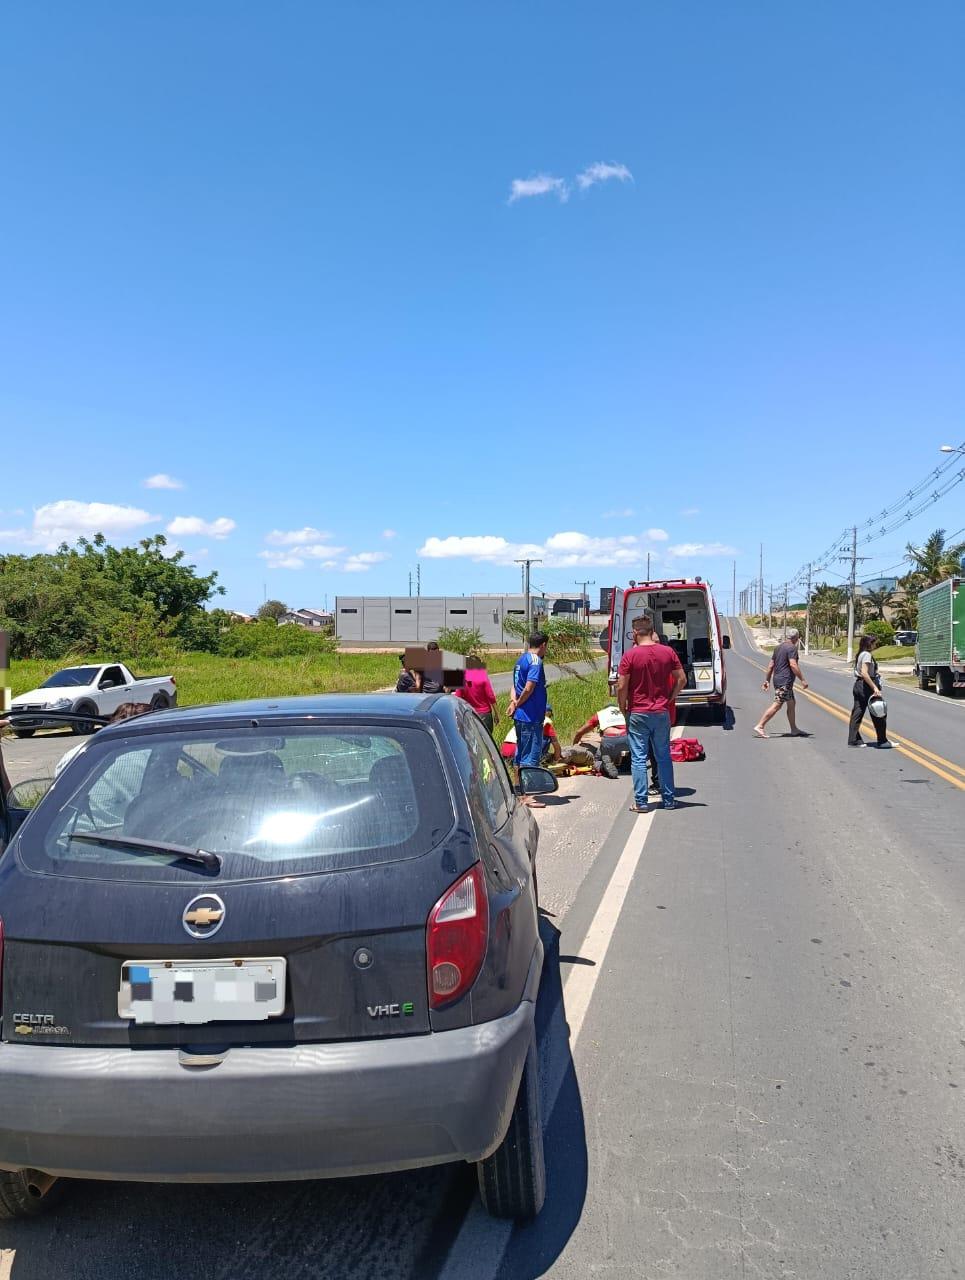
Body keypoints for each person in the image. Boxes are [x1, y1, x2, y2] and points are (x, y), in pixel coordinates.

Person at [617, 615, 686, 812]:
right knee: (663, 756)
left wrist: (623, 707)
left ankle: (641, 802)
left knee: (639, 758)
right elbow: (681, 679)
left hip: (638, 712)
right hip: (661, 711)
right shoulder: (667, 652)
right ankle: (669, 800)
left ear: (635, 633)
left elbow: (622, 686)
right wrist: (671, 698)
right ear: (651, 630)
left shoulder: (630, 656)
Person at [508, 630, 549, 807]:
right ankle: (529, 795)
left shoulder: (521, 660)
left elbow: (514, 686)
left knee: (521, 752)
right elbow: (529, 687)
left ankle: (518, 790)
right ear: (543, 645)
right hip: (530, 716)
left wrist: (513, 702)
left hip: (521, 716)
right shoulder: (535, 661)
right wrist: (517, 704)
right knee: (530, 755)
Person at [753, 628, 809, 738]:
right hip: (785, 681)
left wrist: (767, 680)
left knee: (791, 703)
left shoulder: (778, 648)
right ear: (796, 638)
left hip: (778, 680)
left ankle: (794, 729)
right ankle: (760, 725)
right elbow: (793, 664)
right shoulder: (792, 648)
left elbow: (770, 665)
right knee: (777, 705)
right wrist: (802, 679)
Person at [848, 635, 891, 748]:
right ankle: (882, 740)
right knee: (879, 712)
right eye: (873, 643)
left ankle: (854, 740)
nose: (875, 645)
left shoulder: (861, 654)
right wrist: (874, 688)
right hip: (866, 686)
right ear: (869, 644)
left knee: (857, 713)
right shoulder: (866, 655)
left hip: (859, 685)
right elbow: (865, 673)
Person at [570, 703, 630, 780]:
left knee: (600, 757)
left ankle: (602, 766)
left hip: (610, 740)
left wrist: (575, 746)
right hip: (627, 738)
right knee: (633, 747)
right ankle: (627, 763)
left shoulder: (601, 714)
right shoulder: (625, 710)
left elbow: (579, 732)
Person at [454, 654, 499, 734]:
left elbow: (458, 698)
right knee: (485, 742)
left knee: (472, 741)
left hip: (469, 713)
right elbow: (490, 696)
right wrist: (496, 713)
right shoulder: (482, 676)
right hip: (485, 714)